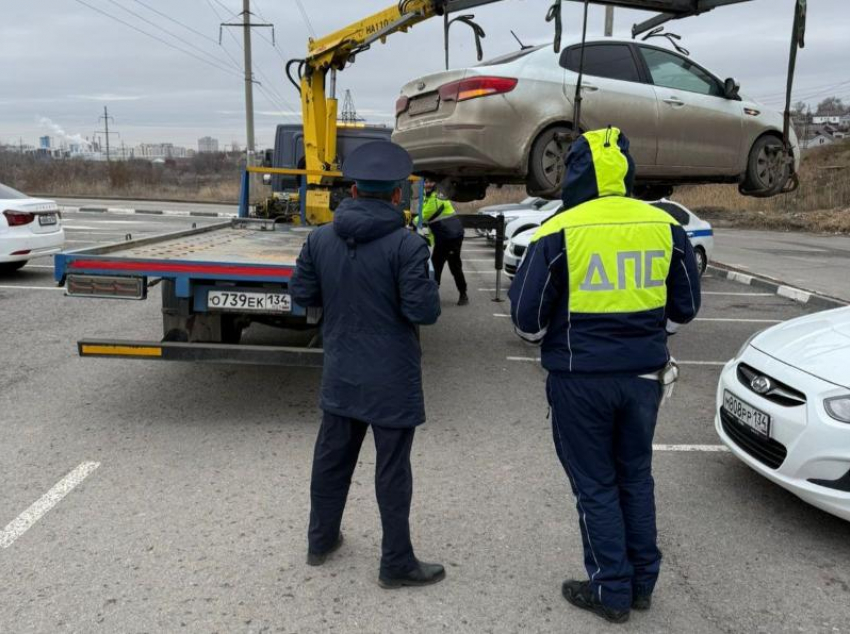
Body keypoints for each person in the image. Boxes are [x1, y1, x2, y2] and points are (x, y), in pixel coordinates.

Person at [509, 127, 701, 623]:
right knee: (635, 477)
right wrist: (647, 338)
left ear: (574, 172)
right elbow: (686, 308)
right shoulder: (665, 225)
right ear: (627, 172)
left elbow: (527, 324)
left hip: (579, 379)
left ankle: (610, 589)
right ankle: (641, 584)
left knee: (595, 484)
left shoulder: (557, 229)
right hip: (644, 379)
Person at [290, 141, 446, 589]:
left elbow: (302, 294)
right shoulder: (408, 245)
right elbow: (424, 312)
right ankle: (396, 563)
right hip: (391, 378)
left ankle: (320, 541)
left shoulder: (319, 238)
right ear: (398, 195)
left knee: (332, 458)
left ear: (353, 190)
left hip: (341, 368)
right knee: (392, 469)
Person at [421, 178, 469, 306]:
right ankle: (433, 294)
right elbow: (431, 222)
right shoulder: (429, 197)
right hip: (444, 236)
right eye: (425, 182)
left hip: (452, 236)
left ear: (435, 183)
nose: (427, 184)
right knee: (436, 264)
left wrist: (409, 223)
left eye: (430, 182)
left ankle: (463, 294)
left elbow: (424, 215)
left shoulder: (436, 197)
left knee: (453, 265)